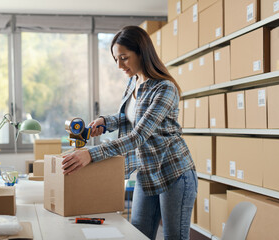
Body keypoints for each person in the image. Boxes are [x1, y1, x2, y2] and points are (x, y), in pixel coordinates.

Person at [62, 25, 197, 240]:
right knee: (138, 233)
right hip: (147, 172)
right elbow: (129, 117)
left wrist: (91, 154)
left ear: (141, 52)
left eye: (124, 58)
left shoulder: (165, 88)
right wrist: (105, 122)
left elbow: (138, 135)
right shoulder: (134, 82)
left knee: (174, 237)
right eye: (116, 59)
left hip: (174, 172)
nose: (119, 65)